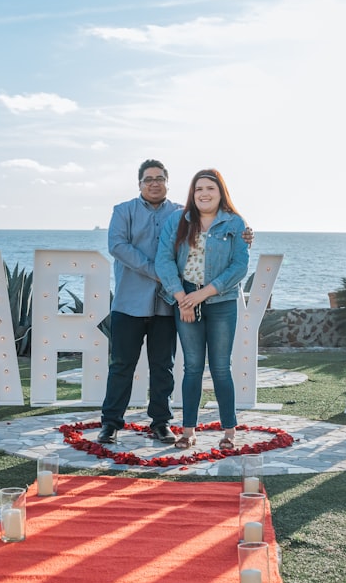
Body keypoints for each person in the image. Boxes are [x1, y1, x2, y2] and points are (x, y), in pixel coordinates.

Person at [155, 169, 250, 450]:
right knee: (193, 367)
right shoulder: (178, 220)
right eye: (198, 189)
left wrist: (201, 295)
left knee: (221, 368)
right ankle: (188, 431)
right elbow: (164, 260)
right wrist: (183, 298)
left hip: (221, 303)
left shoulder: (234, 223)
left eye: (210, 188)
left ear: (221, 192)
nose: (204, 194)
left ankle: (229, 432)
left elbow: (239, 266)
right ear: (192, 194)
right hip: (184, 300)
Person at [97, 159, 181, 444]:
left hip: (166, 305)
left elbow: (207, 235)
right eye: (148, 179)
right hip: (128, 303)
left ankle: (161, 422)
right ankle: (110, 423)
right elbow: (117, 246)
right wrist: (157, 271)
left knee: (163, 366)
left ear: (167, 181)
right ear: (140, 184)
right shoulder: (123, 211)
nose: (154, 183)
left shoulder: (182, 213)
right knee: (121, 365)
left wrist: (245, 234)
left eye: (159, 178)